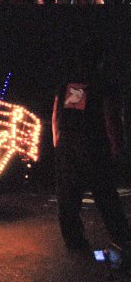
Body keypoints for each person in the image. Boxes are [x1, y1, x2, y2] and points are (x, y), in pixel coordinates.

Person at [52, 42, 131, 255]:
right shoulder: (104, 84)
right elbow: (110, 117)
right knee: (106, 196)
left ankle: (75, 242)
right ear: (100, 60)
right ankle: (122, 238)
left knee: (68, 198)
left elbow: (56, 114)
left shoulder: (68, 83)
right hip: (94, 146)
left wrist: (58, 142)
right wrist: (117, 147)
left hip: (68, 146)